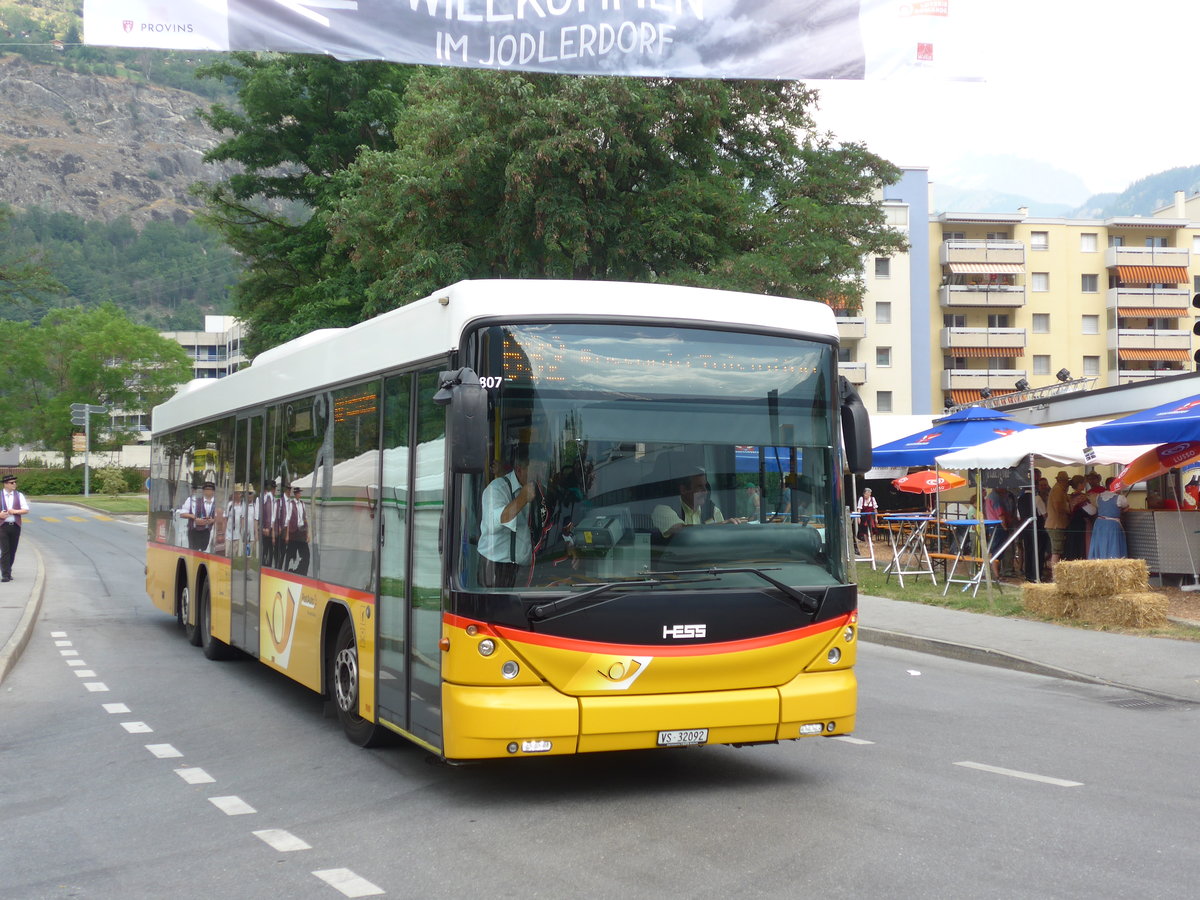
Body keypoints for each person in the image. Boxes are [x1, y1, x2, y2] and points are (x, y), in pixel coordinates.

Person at [478, 446, 542, 587]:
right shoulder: (496, 489)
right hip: (497, 568)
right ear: (519, 470)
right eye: (534, 471)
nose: (538, 475)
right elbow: (494, 523)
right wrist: (522, 499)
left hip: (524, 569)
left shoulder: (538, 490)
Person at [652, 467, 747, 540]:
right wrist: (721, 524)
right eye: (699, 487)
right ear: (684, 490)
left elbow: (721, 538)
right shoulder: (663, 509)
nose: (705, 491)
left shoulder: (712, 510)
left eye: (705, 486)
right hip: (675, 563)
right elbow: (681, 531)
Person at [0, 474, 31, 583]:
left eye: (15, 482)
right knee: (5, 551)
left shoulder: (19, 495)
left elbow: (26, 510)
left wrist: (15, 511)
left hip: (15, 526)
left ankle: (8, 570)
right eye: (12, 483)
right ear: (6, 484)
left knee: (12, 551)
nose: (14, 484)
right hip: (2, 526)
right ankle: (5, 575)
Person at [1089, 477, 1129, 559]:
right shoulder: (1120, 498)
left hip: (1099, 524)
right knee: (1113, 545)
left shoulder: (1099, 496)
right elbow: (1126, 507)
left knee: (1101, 544)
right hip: (1112, 525)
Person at [179, 481, 218, 552]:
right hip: (194, 531)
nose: (208, 491)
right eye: (206, 489)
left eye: (210, 489)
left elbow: (221, 517)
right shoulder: (192, 500)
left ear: (213, 491)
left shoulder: (216, 503)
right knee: (194, 552)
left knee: (205, 552)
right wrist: (193, 517)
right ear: (203, 491)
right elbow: (182, 514)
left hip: (207, 532)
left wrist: (213, 520)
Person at [1045, 471, 1071, 572]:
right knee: (1056, 551)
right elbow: (1058, 507)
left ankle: (1056, 574)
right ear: (1063, 481)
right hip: (1056, 525)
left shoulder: (1059, 489)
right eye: (1067, 481)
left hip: (1056, 524)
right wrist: (1069, 510)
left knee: (1057, 551)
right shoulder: (1057, 490)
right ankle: (1055, 575)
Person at [284, 485, 310, 575]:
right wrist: (287, 535)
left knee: (306, 555)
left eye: (300, 493)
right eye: (298, 493)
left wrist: (307, 534)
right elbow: (287, 520)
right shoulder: (291, 504)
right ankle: (286, 570)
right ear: (295, 494)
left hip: (301, 531)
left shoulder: (302, 504)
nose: (300, 494)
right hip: (293, 532)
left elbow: (305, 519)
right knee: (290, 553)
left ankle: (302, 572)